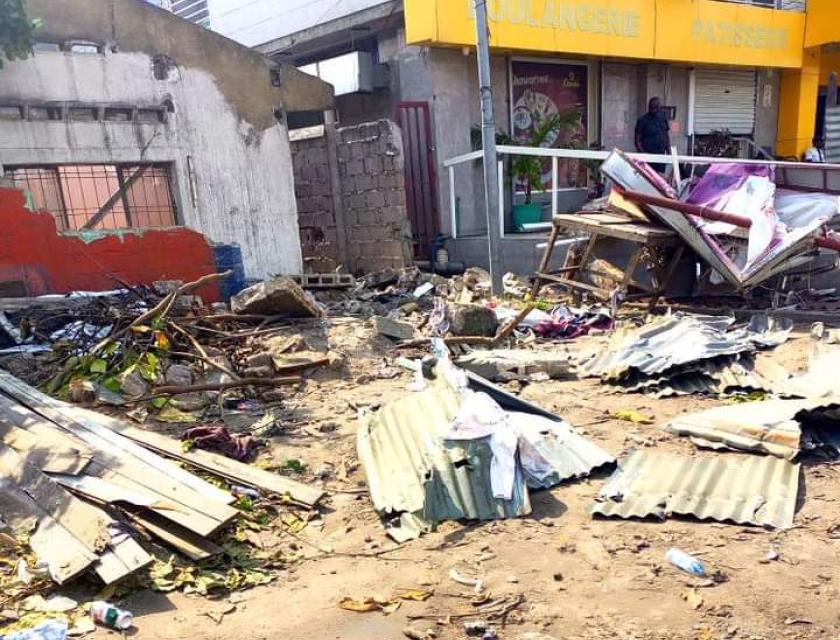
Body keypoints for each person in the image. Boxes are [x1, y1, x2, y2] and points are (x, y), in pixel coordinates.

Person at [635, 97, 670, 172]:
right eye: (652, 108)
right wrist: (644, 155)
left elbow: (666, 136)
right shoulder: (642, 120)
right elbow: (637, 140)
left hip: (661, 156)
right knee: (649, 179)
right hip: (649, 157)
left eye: (656, 107)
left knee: (660, 179)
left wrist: (669, 153)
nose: (654, 110)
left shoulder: (663, 118)